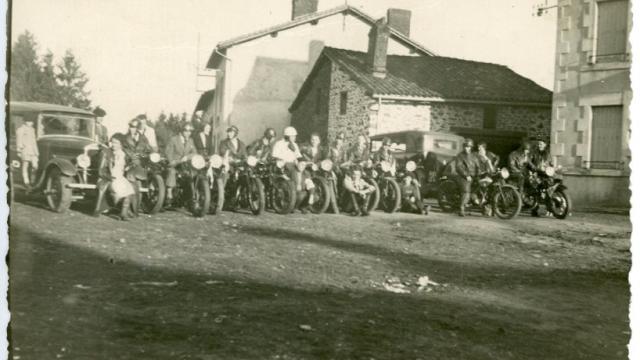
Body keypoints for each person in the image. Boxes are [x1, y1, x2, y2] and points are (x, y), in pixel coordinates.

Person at [93, 133, 137, 221]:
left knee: (130, 191)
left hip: (120, 177)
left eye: (116, 143)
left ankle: (123, 213)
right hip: (108, 178)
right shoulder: (107, 153)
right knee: (118, 191)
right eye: (112, 142)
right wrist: (108, 177)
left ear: (121, 144)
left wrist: (130, 166)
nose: (113, 145)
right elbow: (101, 170)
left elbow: (131, 163)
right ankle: (115, 209)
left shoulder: (124, 154)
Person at [164, 123, 197, 206]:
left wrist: (187, 157)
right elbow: (168, 152)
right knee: (172, 172)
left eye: (190, 131)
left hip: (185, 165)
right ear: (182, 131)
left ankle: (191, 195)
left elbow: (194, 153)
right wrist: (172, 161)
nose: (188, 133)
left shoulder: (191, 140)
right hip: (175, 164)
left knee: (193, 173)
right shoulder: (174, 139)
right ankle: (169, 194)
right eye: (186, 130)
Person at [455, 138, 480, 217]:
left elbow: (478, 166)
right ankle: (461, 208)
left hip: (473, 176)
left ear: (471, 147)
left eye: (469, 146)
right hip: (463, 177)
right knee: (466, 191)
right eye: (466, 146)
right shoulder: (460, 156)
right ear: (463, 147)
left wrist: (479, 174)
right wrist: (466, 175)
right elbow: (459, 167)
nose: (467, 148)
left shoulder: (474, 156)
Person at [16, 116, 39, 190]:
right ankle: (26, 182)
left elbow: (34, 141)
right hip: (25, 150)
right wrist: (19, 150)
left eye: (32, 122)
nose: (31, 123)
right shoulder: (20, 130)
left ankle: (33, 181)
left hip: (33, 151)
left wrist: (36, 152)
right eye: (29, 121)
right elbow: (19, 140)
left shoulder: (32, 130)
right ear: (25, 121)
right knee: (25, 166)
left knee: (35, 166)